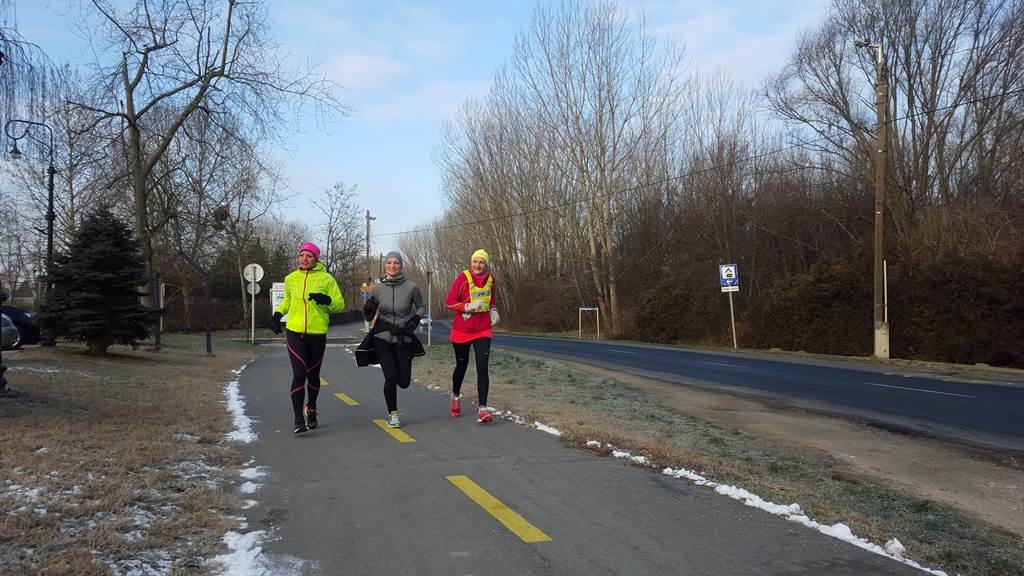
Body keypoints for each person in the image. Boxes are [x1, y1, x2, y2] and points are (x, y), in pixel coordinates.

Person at [270, 242, 344, 434]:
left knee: (312, 376)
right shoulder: (291, 278)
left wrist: (327, 300)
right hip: (294, 331)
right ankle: (298, 419)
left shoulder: (326, 279)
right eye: (302, 255)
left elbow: (339, 305)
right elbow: (287, 301)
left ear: (316, 259)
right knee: (299, 374)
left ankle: (311, 408)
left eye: (309, 256)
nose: (304, 259)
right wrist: (277, 315)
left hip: (317, 333)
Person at [361, 251, 426, 428]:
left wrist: (415, 319)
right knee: (390, 377)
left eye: (396, 263)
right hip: (382, 337)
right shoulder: (378, 289)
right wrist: (367, 309)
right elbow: (369, 316)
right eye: (389, 263)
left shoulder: (411, 287)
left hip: (403, 337)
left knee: (403, 382)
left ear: (401, 266)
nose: (392, 266)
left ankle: (400, 378)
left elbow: (421, 307)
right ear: (385, 266)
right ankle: (393, 414)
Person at [445, 249, 500, 423]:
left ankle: (482, 409)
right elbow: (449, 302)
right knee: (461, 366)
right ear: (471, 263)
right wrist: (466, 307)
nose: (478, 265)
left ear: (486, 264)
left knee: (482, 367)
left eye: (482, 262)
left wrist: (493, 310)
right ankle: (455, 396)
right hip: (462, 331)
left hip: (483, 330)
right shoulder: (463, 278)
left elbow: (491, 300)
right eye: (475, 261)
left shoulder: (491, 280)